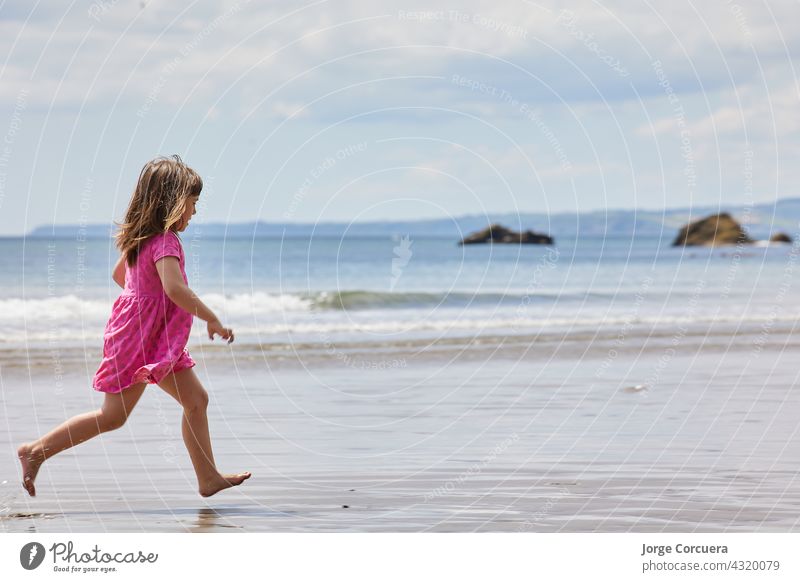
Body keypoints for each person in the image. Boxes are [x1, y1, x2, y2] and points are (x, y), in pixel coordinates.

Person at [17, 155, 251, 498]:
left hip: (142, 335)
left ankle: (207, 478)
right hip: (142, 339)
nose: (195, 212)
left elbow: (120, 276)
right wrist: (211, 318)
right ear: (171, 202)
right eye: (192, 203)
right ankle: (35, 451)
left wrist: (143, 303)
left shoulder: (140, 239)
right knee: (114, 416)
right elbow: (174, 288)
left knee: (195, 399)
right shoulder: (166, 241)